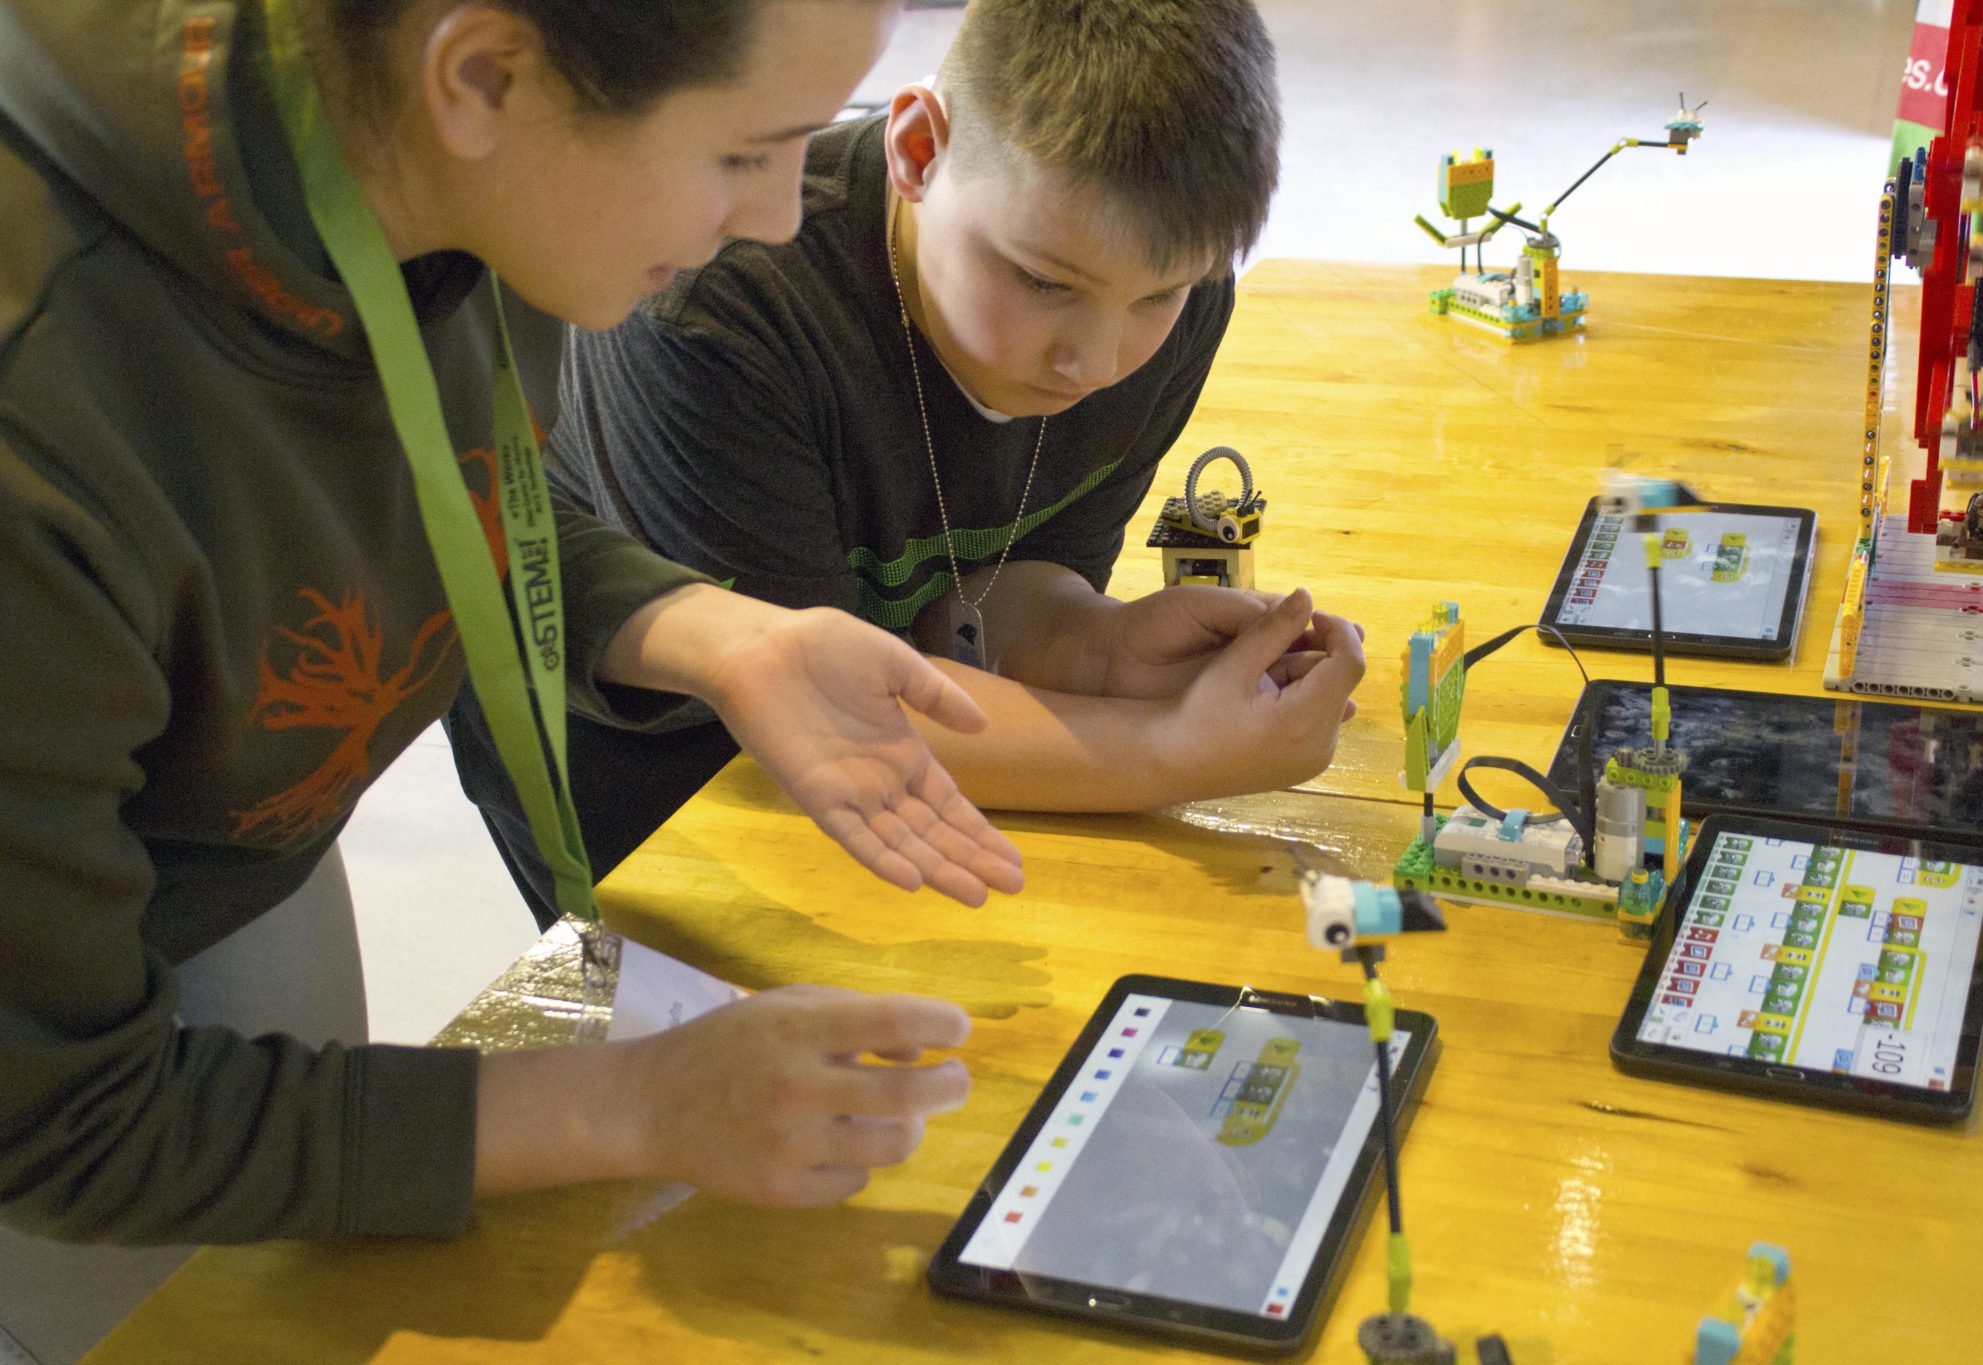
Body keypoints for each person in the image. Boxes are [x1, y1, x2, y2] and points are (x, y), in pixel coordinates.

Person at [0, 0, 1027, 1355]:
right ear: (485, 76)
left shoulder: (429, 164)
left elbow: (435, 488)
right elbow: (64, 1124)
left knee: (302, 1283)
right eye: (742, 153)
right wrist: (638, 1105)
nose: (779, 218)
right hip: (74, 1023)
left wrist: (714, 635)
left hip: (227, 834)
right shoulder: (42, 422)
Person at [450, 0, 1368, 925]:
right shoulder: (719, 303)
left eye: (1157, 297)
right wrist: (1172, 750)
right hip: (635, 751)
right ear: (919, 151)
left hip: (903, 741)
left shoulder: (1182, 292)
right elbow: (817, 705)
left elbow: (986, 594)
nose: (1093, 363)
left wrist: (1098, 647)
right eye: (1044, 281)